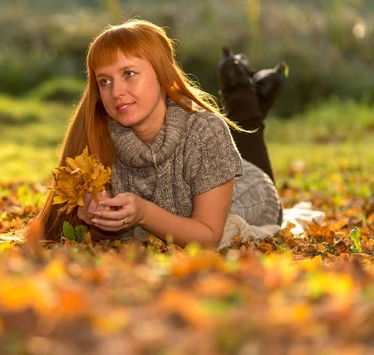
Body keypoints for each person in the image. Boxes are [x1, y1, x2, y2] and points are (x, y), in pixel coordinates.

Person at [27, 19, 284, 250]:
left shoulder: (206, 131)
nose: (116, 92)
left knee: (238, 133)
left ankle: (244, 99)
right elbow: (70, 232)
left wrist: (143, 214)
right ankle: (250, 96)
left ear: (164, 76)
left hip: (249, 192)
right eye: (104, 81)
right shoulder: (97, 131)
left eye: (129, 74)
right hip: (203, 169)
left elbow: (209, 238)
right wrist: (97, 222)